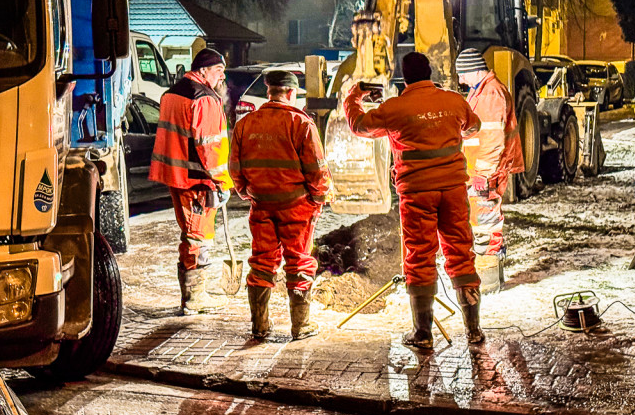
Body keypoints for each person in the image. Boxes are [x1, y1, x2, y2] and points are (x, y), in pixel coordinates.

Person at [344, 52, 484, 347]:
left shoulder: (395, 108)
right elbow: (474, 126)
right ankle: (473, 330)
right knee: (460, 252)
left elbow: (359, 126)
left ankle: (423, 334)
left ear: (403, 77)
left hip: (417, 195)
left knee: (420, 257)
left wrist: (353, 97)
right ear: (430, 72)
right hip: (454, 191)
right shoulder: (453, 101)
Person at [229, 70, 334, 341]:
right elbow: (317, 170)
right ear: (291, 93)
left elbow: (235, 168)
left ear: (269, 92)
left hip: (261, 205)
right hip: (296, 207)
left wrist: (248, 192)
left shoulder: (246, 124)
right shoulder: (301, 123)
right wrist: (320, 198)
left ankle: (259, 326)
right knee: (298, 262)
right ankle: (301, 327)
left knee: (262, 262)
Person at [150, 48, 233, 315]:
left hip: (175, 176)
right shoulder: (205, 99)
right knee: (198, 237)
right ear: (202, 71)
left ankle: (192, 296)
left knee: (189, 234)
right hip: (198, 181)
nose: (222, 77)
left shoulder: (172, 93)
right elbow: (209, 147)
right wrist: (223, 181)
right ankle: (195, 298)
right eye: (218, 71)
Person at [455, 48, 524, 294]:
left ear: (474, 70)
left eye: (462, 74)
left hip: (485, 172)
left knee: (485, 223)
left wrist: (482, 174)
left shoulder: (491, 93)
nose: (461, 80)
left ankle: (488, 282)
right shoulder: (483, 91)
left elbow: (493, 138)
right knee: (484, 221)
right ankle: (491, 277)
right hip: (481, 170)